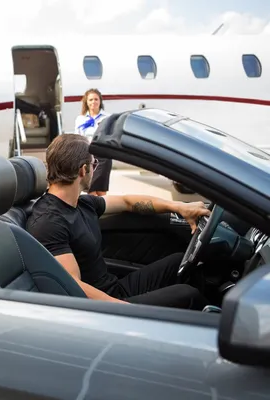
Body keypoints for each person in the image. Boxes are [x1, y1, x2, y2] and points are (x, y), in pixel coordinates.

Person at [26, 134, 210, 309]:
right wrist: (123, 309)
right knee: (187, 294)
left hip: (114, 289)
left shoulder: (82, 203)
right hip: (106, 306)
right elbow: (72, 286)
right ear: (83, 170)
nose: (95, 168)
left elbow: (127, 202)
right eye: (94, 163)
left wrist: (178, 207)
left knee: (179, 262)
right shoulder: (49, 221)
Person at [74, 88, 112, 196]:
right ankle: (95, 210)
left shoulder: (108, 117)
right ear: (86, 102)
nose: (93, 102)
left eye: (96, 99)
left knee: (101, 190)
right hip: (88, 156)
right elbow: (77, 137)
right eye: (90, 100)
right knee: (91, 189)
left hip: (103, 155)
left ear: (100, 101)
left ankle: (103, 210)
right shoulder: (80, 119)